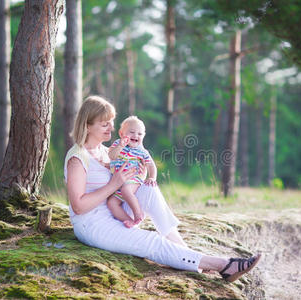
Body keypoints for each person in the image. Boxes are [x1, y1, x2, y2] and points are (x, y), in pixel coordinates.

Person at [65, 95, 261, 282]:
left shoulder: (107, 151)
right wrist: (113, 185)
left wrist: (141, 176)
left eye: (111, 122)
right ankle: (224, 266)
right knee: (151, 241)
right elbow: (79, 207)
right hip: (92, 225)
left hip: (113, 210)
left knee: (149, 190)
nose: (111, 127)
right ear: (87, 125)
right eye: (104, 123)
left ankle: (185, 250)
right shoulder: (77, 158)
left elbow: (124, 180)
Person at [108, 116, 157, 228]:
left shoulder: (141, 151)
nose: (136, 136)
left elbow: (151, 165)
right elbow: (111, 156)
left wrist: (152, 177)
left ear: (143, 136)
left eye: (139, 134)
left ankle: (138, 214)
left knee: (126, 190)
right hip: (118, 184)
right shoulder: (117, 144)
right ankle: (130, 221)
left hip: (133, 179)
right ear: (121, 134)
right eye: (132, 132)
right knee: (111, 203)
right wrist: (120, 145)